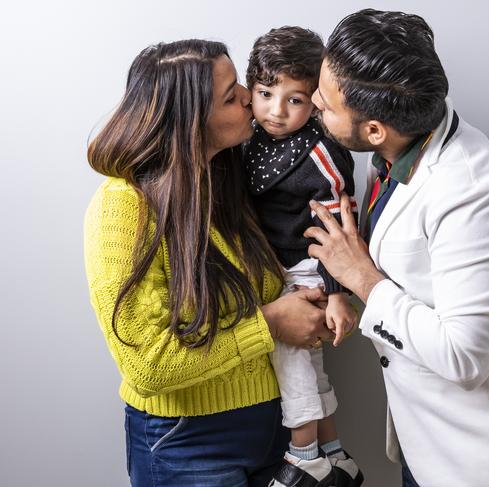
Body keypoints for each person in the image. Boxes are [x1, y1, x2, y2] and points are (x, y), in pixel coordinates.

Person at [306, 9, 489, 487]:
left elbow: (464, 357)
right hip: (432, 445)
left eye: (325, 103)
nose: (313, 101)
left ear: (375, 130)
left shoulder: (477, 198)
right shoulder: (406, 130)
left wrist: (363, 280)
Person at [84, 39, 335, 487]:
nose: (247, 95)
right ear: (189, 120)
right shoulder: (123, 207)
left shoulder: (225, 183)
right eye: (230, 94)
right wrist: (271, 325)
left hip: (277, 430)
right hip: (189, 442)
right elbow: (148, 365)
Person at [244, 26, 363, 487]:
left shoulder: (318, 151)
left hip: (308, 266)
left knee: (291, 357)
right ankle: (335, 452)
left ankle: (304, 454)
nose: (276, 110)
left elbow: (338, 223)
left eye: (294, 99)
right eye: (265, 93)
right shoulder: (253, 138)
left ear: (316, 100)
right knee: (309, 366)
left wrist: (336, 294)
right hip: (275, 264)